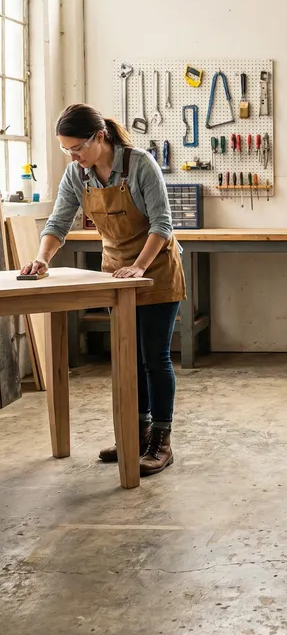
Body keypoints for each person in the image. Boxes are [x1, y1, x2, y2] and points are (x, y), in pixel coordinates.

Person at [21, 104, 186, 476]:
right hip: (115, 272)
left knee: (153, 356)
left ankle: (161, 441)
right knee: (126, 355)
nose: (74, 157)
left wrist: (140, 266)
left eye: (77, 148)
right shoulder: (78, 175)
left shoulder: (140, 164)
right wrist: (42, 258)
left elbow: (162, 223)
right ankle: (136, 433)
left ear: (99, 137)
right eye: (67, 151)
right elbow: (58, 220)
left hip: (155, 267)